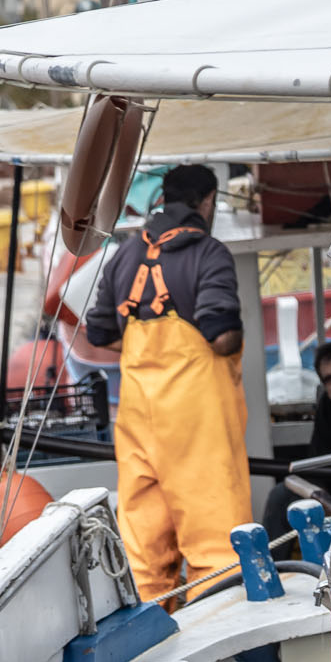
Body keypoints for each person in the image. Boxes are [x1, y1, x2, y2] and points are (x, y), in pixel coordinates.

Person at [84, 164, 250, 604]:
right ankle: (224, 650)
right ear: (208, 201)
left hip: (138, 421)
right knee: (217, 551)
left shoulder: (123, 255)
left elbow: (98, 332)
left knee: (144, 553)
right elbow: (221, 333)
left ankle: (150, 649)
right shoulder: (209, 253)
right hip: (198, 426)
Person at [262, 338, 331, 556]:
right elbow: (317, 471)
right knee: (280, 496)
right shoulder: (328, 407)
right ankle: (279, 573)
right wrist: (328, 501)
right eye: (329, 380)